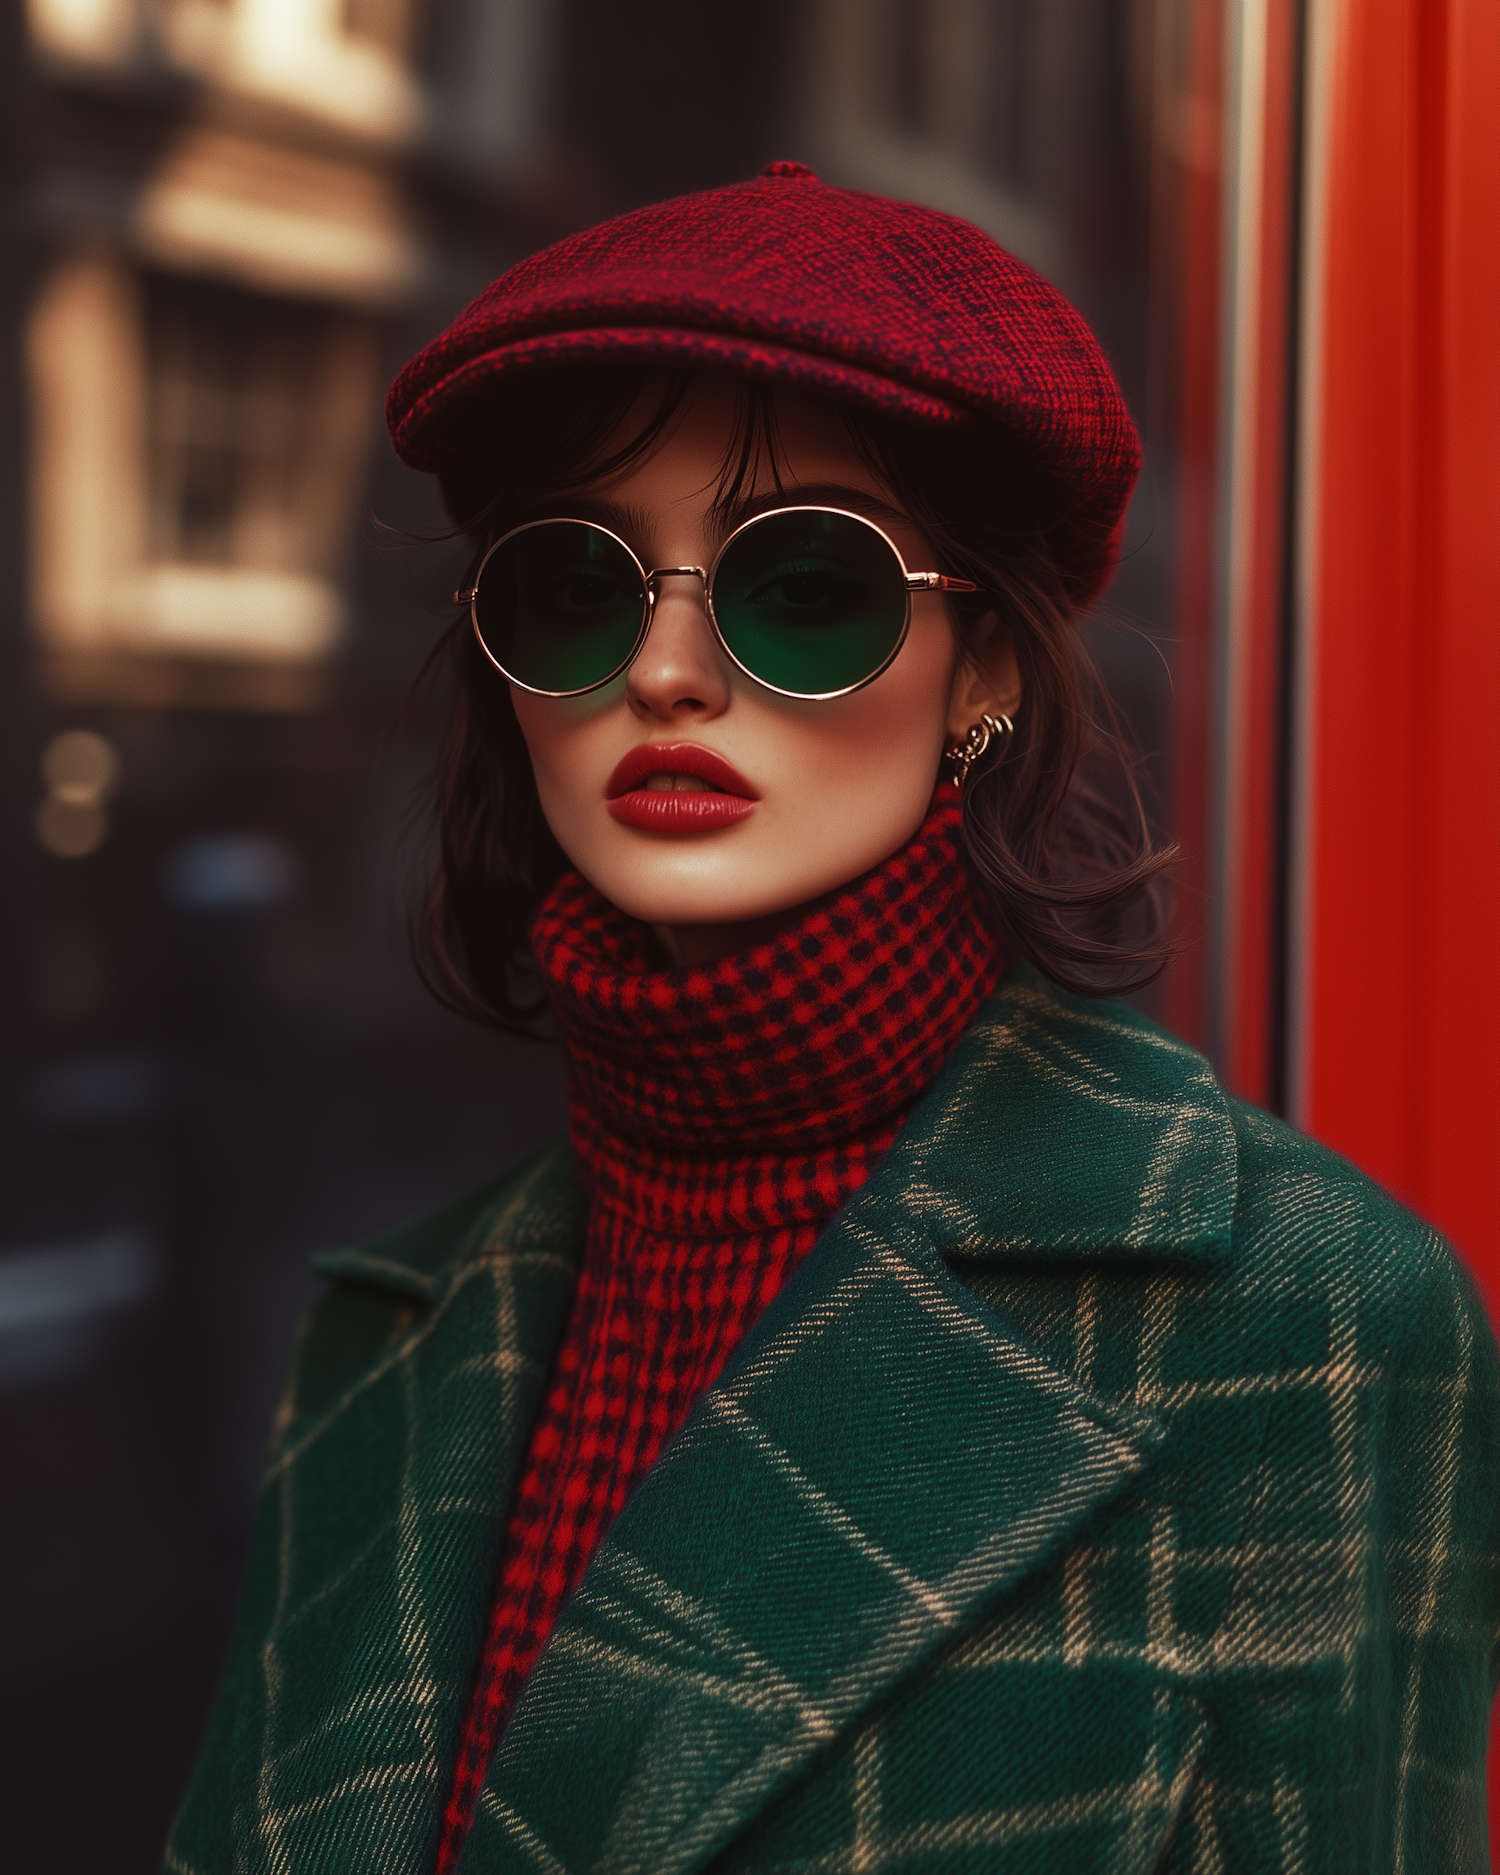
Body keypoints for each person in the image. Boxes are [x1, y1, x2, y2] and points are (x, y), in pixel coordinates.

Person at [165, 164, 1499, 1875]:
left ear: (992, 670)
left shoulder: (1305, 1315)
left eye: (802, 584)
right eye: (574, 587)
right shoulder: (388, 1338)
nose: (663, 670)